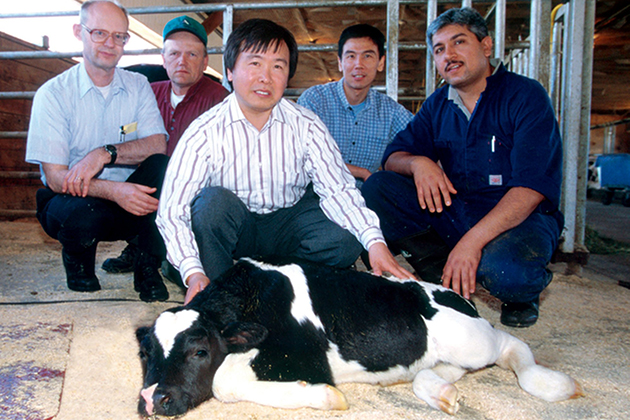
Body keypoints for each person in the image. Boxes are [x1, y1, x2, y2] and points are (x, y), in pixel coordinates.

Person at [157, 18, 413, 304]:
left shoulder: (306, 125)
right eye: (254, 63)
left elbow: (339, 189)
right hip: (235, 226)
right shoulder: (203, 132)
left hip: (287, 223)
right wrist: (192, 271)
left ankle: (264, 274)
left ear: (288, 75)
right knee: (211, 205)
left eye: (278, 66)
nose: (266, 77)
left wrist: (375, 243)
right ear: (229, 71)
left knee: (345, 241)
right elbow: (172, 210)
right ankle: (217, 283)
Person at [362, 7, 564, 328]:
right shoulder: (438, 103)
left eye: (458, 43)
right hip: (457, 211)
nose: (449, 55)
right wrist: (419, 162)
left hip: (517, 218)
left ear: (485, 46)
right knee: (378, 188)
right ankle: (439, 267)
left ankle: (522, 295)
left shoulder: (525, 96)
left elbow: (531, 189)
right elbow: (393, 155)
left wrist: (471, 244)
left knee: (505, 273)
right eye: (439, 49)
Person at [25, 0, 170, 302]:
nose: (110, 43)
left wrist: (104, 153)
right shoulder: (52, 95)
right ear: (79, 32)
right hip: (74, 201)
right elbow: (55, 177)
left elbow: (157, 145)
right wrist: (115, 190)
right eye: (100, 33)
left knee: (164, 166)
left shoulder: (139, 85)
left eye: (119, 36)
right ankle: (78, 259)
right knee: (82, 212)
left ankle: (147, 263)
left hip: (131, 199)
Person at [101, 15, 229, 276]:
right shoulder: (147, 92)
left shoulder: (220, 100)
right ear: (163, 58)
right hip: (150, 183)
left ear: (205, 62)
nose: (182, 61)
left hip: (194, 189)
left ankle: (164, 250)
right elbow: (126, 131)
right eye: (174, 54)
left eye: (192, 55)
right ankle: (139, 245)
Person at [297, 24, 412, 187]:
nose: (358, 64)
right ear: (340, 62)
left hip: (364, 202)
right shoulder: (314, 100)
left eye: (367, 56)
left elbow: (419, 139)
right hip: (315, 198)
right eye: (351, 56)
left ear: (380, 63)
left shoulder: (392, 112)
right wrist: (361, 172)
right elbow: (302, 157)